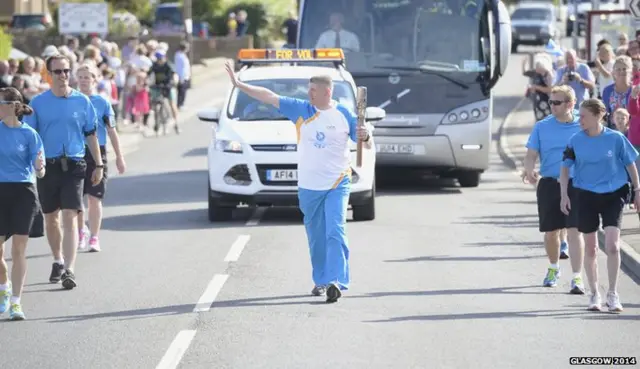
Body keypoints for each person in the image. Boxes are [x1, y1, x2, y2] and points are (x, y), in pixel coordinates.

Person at [223, 61, 373, 302]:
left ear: (328, 91)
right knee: (316, 236)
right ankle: (321, 281)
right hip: (309, 185)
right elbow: (269, 97)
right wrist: (239, 84)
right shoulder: (302, 110)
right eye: (309, 89)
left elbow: (364, 143)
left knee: (335, 229)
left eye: (314, 90)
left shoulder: (345, 114)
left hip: (337, 182)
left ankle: (336, 280)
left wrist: (366, 135)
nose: (309, 93)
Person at [24, 54, 103, 290]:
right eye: (58, 71)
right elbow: (32, 138)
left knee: (70, 215)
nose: (63, 76)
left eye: (66, 71)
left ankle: (69, 269)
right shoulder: (38, 103)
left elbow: (91, 134)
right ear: (49, 75)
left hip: (75, 164)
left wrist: (98, 164)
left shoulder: (82, 102)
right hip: (48, 166)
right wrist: (32, 165)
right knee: (51, 218)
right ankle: (57, 259)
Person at [560, 98, 640, 313]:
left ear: (598, 115)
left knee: (613, 245)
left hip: (614, 193)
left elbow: (630, 163)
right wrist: (564, 195)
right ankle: (595, 293)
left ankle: (613, 294)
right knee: (592, 248)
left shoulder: (615, 139)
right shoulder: (575, 140)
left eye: (584, 116)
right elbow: (565, 168)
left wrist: (638, 190)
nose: (580, 120)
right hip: (585, 194)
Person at [522, 86, 585, 293]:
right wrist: (529, 169)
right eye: (550, 102)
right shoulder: (542, 127)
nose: (552, 106)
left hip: (577, 184)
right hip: (549, 183)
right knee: (551, 233)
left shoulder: (582, 124)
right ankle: (553, 268)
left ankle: (577, 278)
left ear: (570, 104)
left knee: (575, 232)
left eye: (556, 103)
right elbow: (531, 153)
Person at [0, 87, 45, 320]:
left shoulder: (30, 134)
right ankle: (4, 286)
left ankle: (16, 302)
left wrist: (39, 166)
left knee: (18, 250)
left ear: (13, 107)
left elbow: (40, 172)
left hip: (23, 193)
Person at [75, 64, 126, 252]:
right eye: (80, 77)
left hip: (98, 153)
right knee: (76, 198)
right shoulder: (72, 101)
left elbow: (112, 131)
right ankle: (81, 232)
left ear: (95, 80)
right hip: (77, 152)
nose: (84, 81)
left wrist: (119, 156)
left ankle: (94, 237)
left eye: (87, 77)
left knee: (94, 199)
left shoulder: (102, 102)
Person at [148, 50, 180, 134]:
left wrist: (174, 82)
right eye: (158, 59)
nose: (159, 61)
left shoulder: (168, 65)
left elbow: (175, 75)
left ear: (164, 57)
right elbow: (148, 74)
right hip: (158, 86)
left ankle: (176, 123)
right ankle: (156, 122)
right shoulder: (154, 65)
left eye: (160, 58)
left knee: (172, 103)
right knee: (155, 103)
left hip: (168, 86)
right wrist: (146, 82)